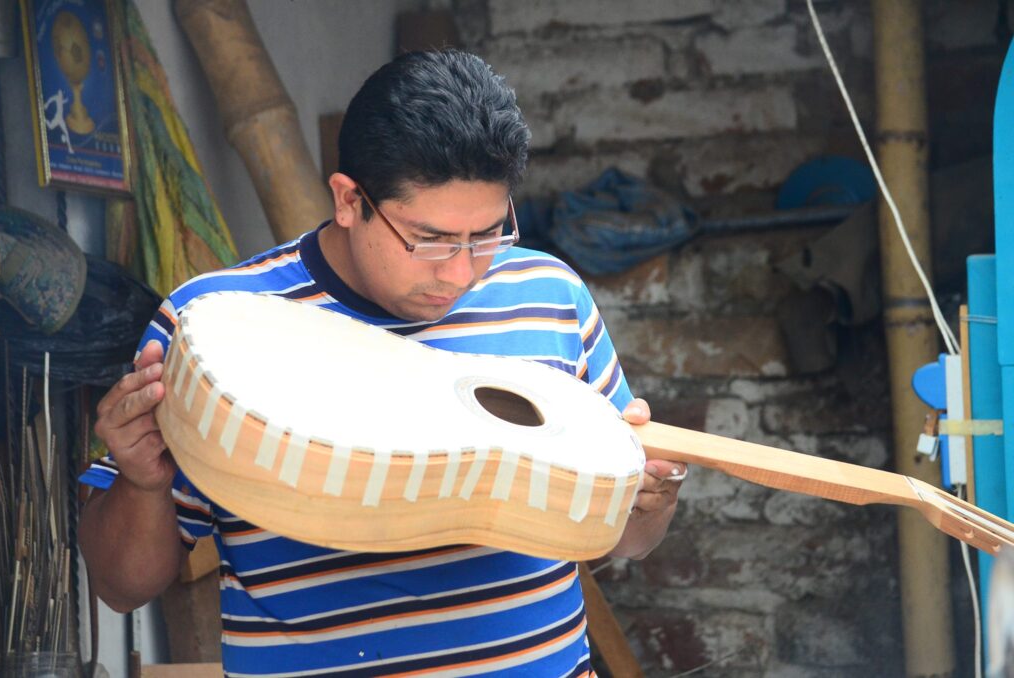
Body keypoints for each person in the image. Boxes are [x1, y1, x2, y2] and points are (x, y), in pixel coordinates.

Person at [79, 50, 686, 677]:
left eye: (486, 235)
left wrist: (651, 503)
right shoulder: (216, 327)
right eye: (430, 241)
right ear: (348, 200)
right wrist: (142, 482)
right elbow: (121, 588)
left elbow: (629, 539)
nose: (460, 273)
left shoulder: (550, 295)